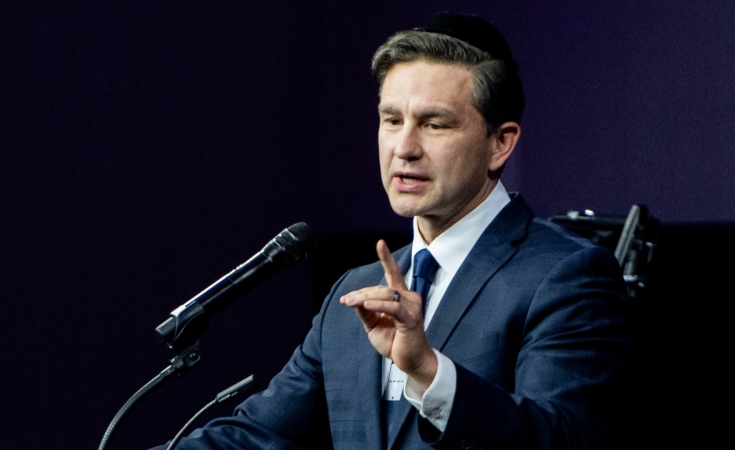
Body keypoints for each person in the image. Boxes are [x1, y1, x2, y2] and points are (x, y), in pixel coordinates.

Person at [151, 10, 633, 450]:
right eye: (391, 120)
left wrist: (429, 371)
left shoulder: (565, 274)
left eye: (435, 124)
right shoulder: (357, 291)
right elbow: (257, 436)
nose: (404, 147)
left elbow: (564, 439)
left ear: (500, 144)